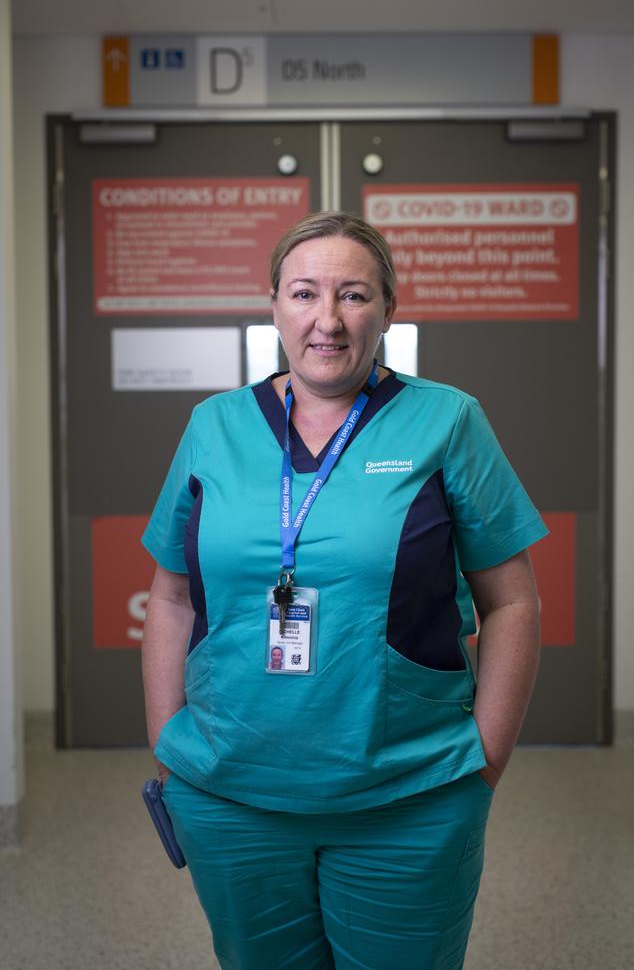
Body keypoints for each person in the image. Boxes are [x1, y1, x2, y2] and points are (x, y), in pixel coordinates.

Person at [141, 211, 547, 970]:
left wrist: (484, 759)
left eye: (354, 295)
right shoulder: (214, 426)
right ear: (274, 306)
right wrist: (169, 745)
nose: (327, 320)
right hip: (232, 798)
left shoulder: (447, 421)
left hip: (406, 800)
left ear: (389, 309)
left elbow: (513, 602)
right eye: (304, 293)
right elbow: (170, 597)